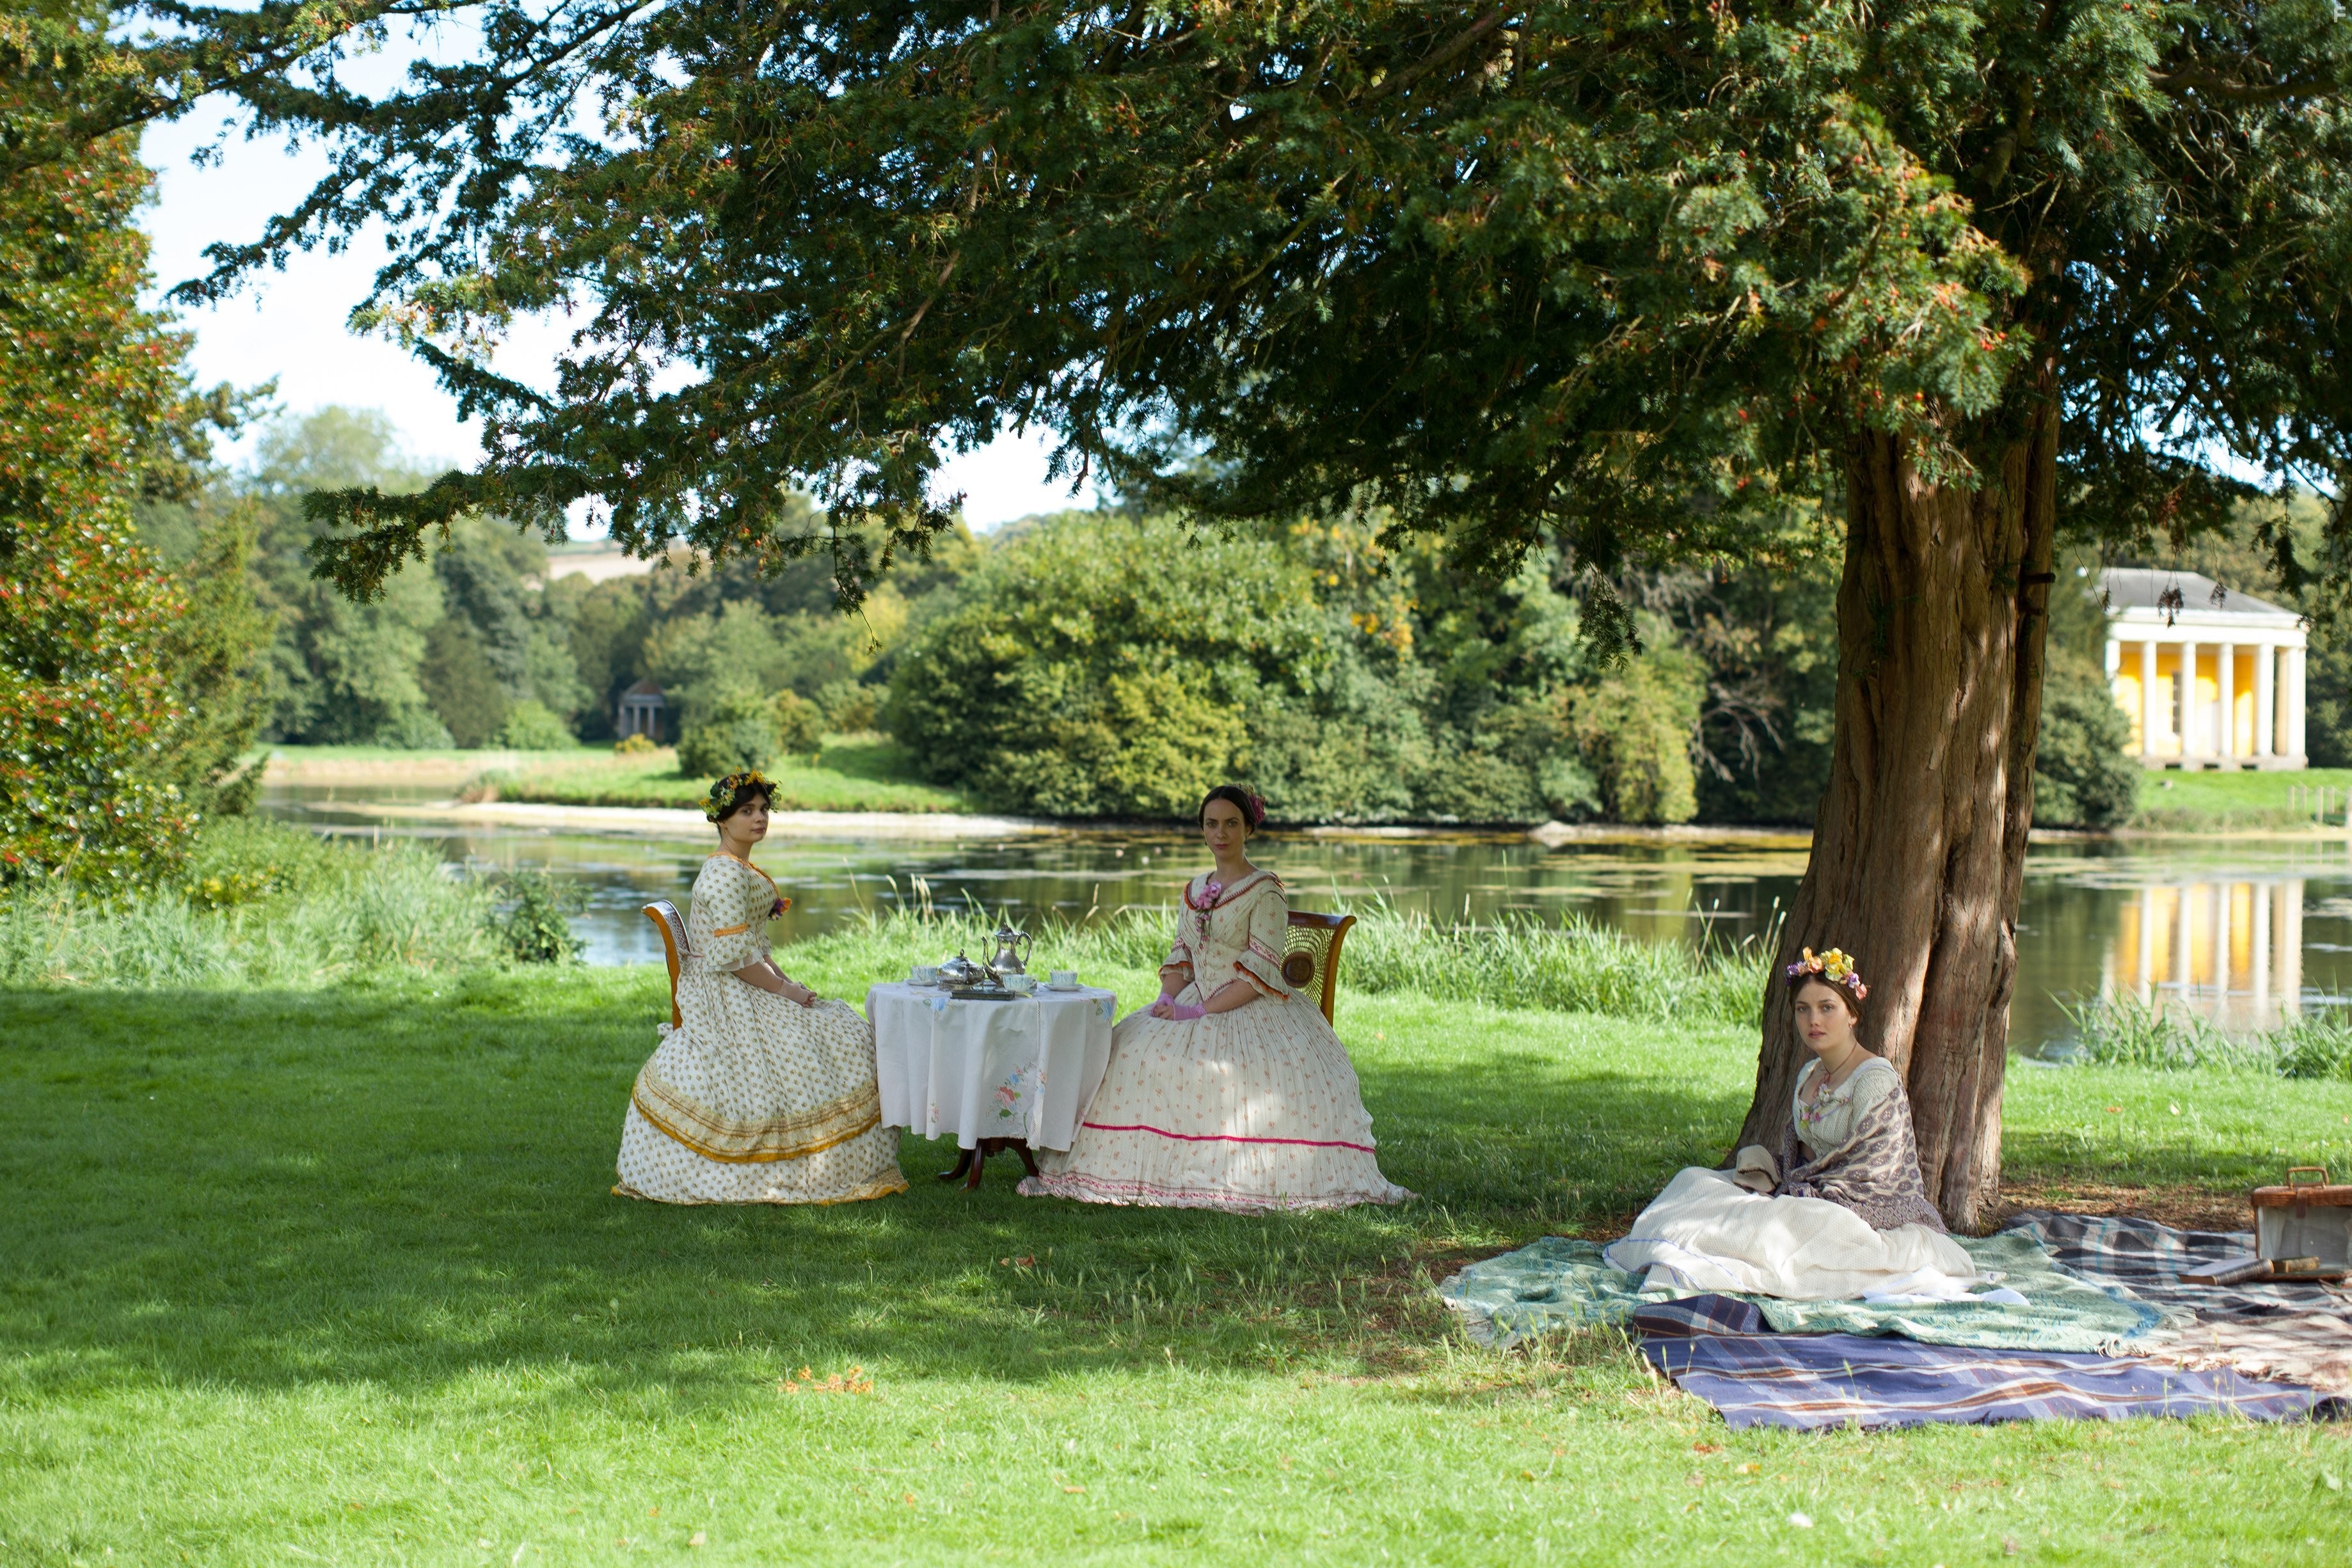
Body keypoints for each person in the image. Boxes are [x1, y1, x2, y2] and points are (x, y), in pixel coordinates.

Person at [1019, 784, 1410, 1212]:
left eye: (1231, 823)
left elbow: (1262, 969)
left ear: (1248, 829)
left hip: (1250, 1004)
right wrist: (1168, 998)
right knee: (1126, 1051)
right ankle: (1132, 1168)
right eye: (1212, 823)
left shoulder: (1266, 890)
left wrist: (1202, 1010)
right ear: (1203, 830)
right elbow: (1181, 954)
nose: (1220, 833)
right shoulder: (1195, 888)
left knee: (1213, 1068)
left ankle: (1228, 1172)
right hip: (1191, 997)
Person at [1603, 948, 1982, 1300]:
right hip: (1808, 1192)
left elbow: (1875, 1172)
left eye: (1826, 1007)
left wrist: (1808, 1195)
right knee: (1694, 1181)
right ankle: (1674, 1251)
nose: (1813, 1020)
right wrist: (1782, 1179)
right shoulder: (1809, 1074)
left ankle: (1705, 1265)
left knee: (1779, 1223)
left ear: (1852, 1013)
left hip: (1863, 1209)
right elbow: (1797, 1150)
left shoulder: (1875, 1080)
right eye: (1803, 1009)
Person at [614, 771, 906, 1205]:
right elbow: (734, 960)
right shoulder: (725, 875)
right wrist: (784, 994)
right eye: (747, 811)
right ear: (722, 819)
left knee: (835, 1022)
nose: (759, 818)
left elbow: (754, 947)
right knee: (840, 1036)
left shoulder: (737, 867)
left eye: (764, 809)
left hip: (739, 979)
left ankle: (835, 1158)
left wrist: (787, 982)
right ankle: (815, 1165)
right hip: (726, 994)